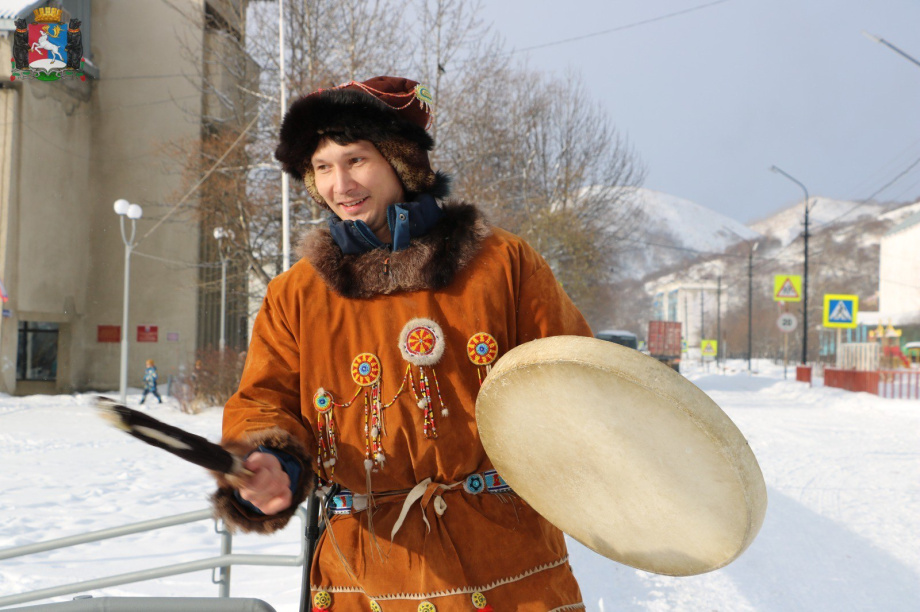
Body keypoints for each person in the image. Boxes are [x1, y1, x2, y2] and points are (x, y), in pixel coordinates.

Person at [212, 76, 592, 611]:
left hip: (507, 567)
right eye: (323, 167)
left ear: (402, 161)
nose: (340, 184)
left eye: (356, 160)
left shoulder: (503, 264)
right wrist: (273, 461)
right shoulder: (294, 293)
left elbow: (575, 379)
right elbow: (263, 402)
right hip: (362, 571)